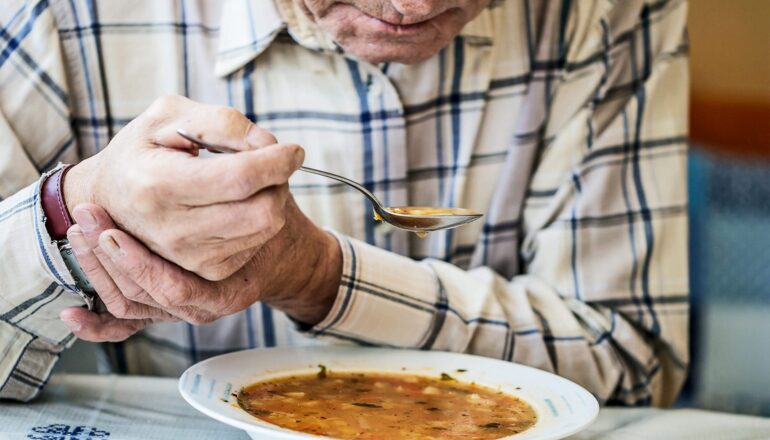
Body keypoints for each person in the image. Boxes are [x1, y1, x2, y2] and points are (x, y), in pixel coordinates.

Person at [0, 0, 689, 406]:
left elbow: (631, 364)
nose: (414, 6)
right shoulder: (62, 11)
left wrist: (319, 277)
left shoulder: (605, 11)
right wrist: (73, 207)